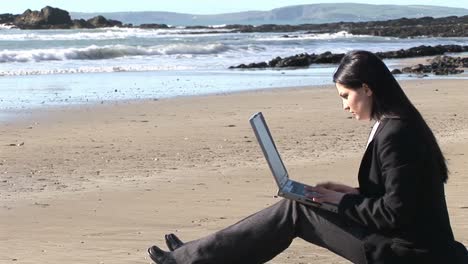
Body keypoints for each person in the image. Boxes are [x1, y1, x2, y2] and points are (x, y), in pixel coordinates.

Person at [147, 50, 468, 264]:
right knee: (298, 203)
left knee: (296, 211)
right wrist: (349, 193)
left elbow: (396, 214)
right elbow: (402, 197)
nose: (344, 105)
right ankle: (196, 254)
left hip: (410, 254)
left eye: (346, 95)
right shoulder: (395, 124)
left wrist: (339, 202)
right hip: (407, 242)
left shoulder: (397, 133)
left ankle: (192, 258)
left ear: (367, 89)